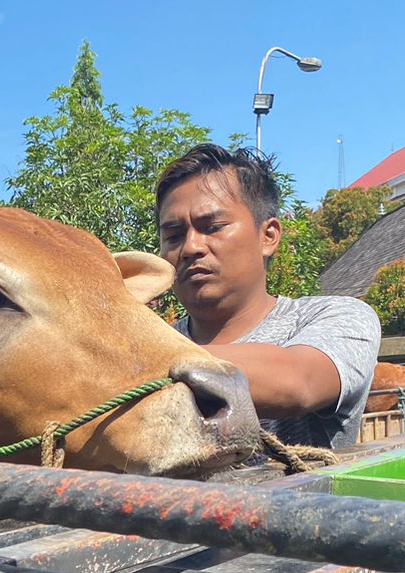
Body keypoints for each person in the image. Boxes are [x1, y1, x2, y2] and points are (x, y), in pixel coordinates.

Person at [155, 144, 381, 449]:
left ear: (268, 236)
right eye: (173, 235)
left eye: (213, 227)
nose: (191, 246)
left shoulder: (339, 317)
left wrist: (132, 364)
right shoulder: (158, 340)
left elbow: (299, 383)